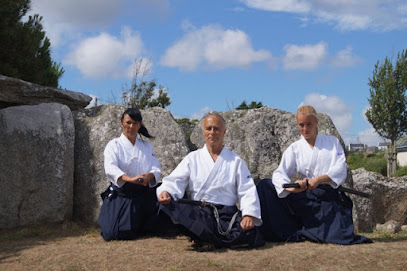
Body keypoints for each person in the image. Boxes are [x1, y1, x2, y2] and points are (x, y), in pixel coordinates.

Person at [257, 105, 372, 245]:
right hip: (304, 196)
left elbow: (340, 168)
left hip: (327, 197)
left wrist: (319, 179)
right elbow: (279, 174)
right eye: (301, 125)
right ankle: (288, 229)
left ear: (317, 122)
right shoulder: (295, 148)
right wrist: (292, 187)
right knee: (265, 186)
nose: (305, 129)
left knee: (339, 237)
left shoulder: (332, 142)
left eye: (309, 124)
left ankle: (310, 229)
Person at [157, 112, 264, 250]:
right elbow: (175, 180)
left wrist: (248, 214)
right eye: (208, 128)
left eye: (217, 128)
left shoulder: (235, 161)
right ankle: (208, 238)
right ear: (203, 131)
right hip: (200, 212)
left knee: (251, 233)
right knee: (168, 205)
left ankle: (206, 239)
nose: (212, 132)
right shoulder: (193, 158)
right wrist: (166, 191)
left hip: (226, 215)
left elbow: (247, 188)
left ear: (224, 132)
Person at [97, 107, 171, 241]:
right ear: (122, 123)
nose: (131, 126)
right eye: (128, 123)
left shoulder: (146, 146)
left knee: (168, 197)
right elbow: (110, 168)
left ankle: (144, 225)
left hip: (144, 191)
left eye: (135, 123)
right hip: (124, 193)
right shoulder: (114, 145)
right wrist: (130, 179)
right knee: (112, 233)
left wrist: (148, 176)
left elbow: (156, 168)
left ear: (140, 125)